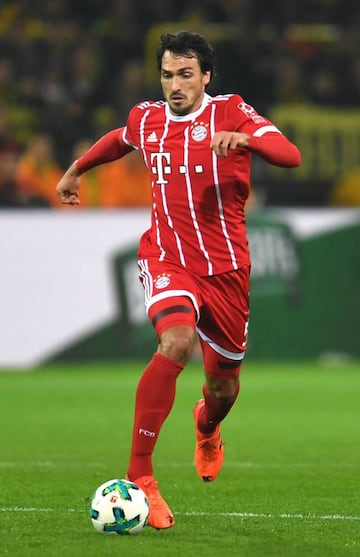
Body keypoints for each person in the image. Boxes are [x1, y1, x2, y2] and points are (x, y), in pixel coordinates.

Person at [56, 30, 301, 530]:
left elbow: (289, 153)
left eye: (186, 74)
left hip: (227, 270)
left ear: (206, 76)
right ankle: (140, 476)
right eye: (168, 74)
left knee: (223, 387)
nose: (175, 84)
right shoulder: (146, 118)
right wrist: (77, 169)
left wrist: (247, 140)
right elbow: (117, 141)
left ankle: (206, 428)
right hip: (167, 259)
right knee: (176, 341)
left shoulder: (230, 112)